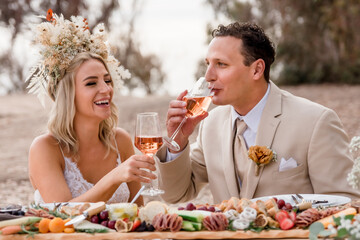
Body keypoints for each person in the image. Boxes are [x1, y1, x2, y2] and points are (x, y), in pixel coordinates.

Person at [155, 22, 360, 204]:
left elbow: (346, 203)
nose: (208, 76)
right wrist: (178, 142)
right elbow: (176, 195)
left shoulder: (316, 122)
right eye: (208, 64)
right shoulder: (211, 125)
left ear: (256, 70)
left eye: (221, 64)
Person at [27, 10, 156, 205]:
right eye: (91, 83)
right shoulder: (45, 148)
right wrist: (114, 178)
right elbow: (63, 214)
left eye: (107, 80)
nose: (106, 89)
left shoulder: (120, 141)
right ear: (68, 96)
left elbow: (137, 212)